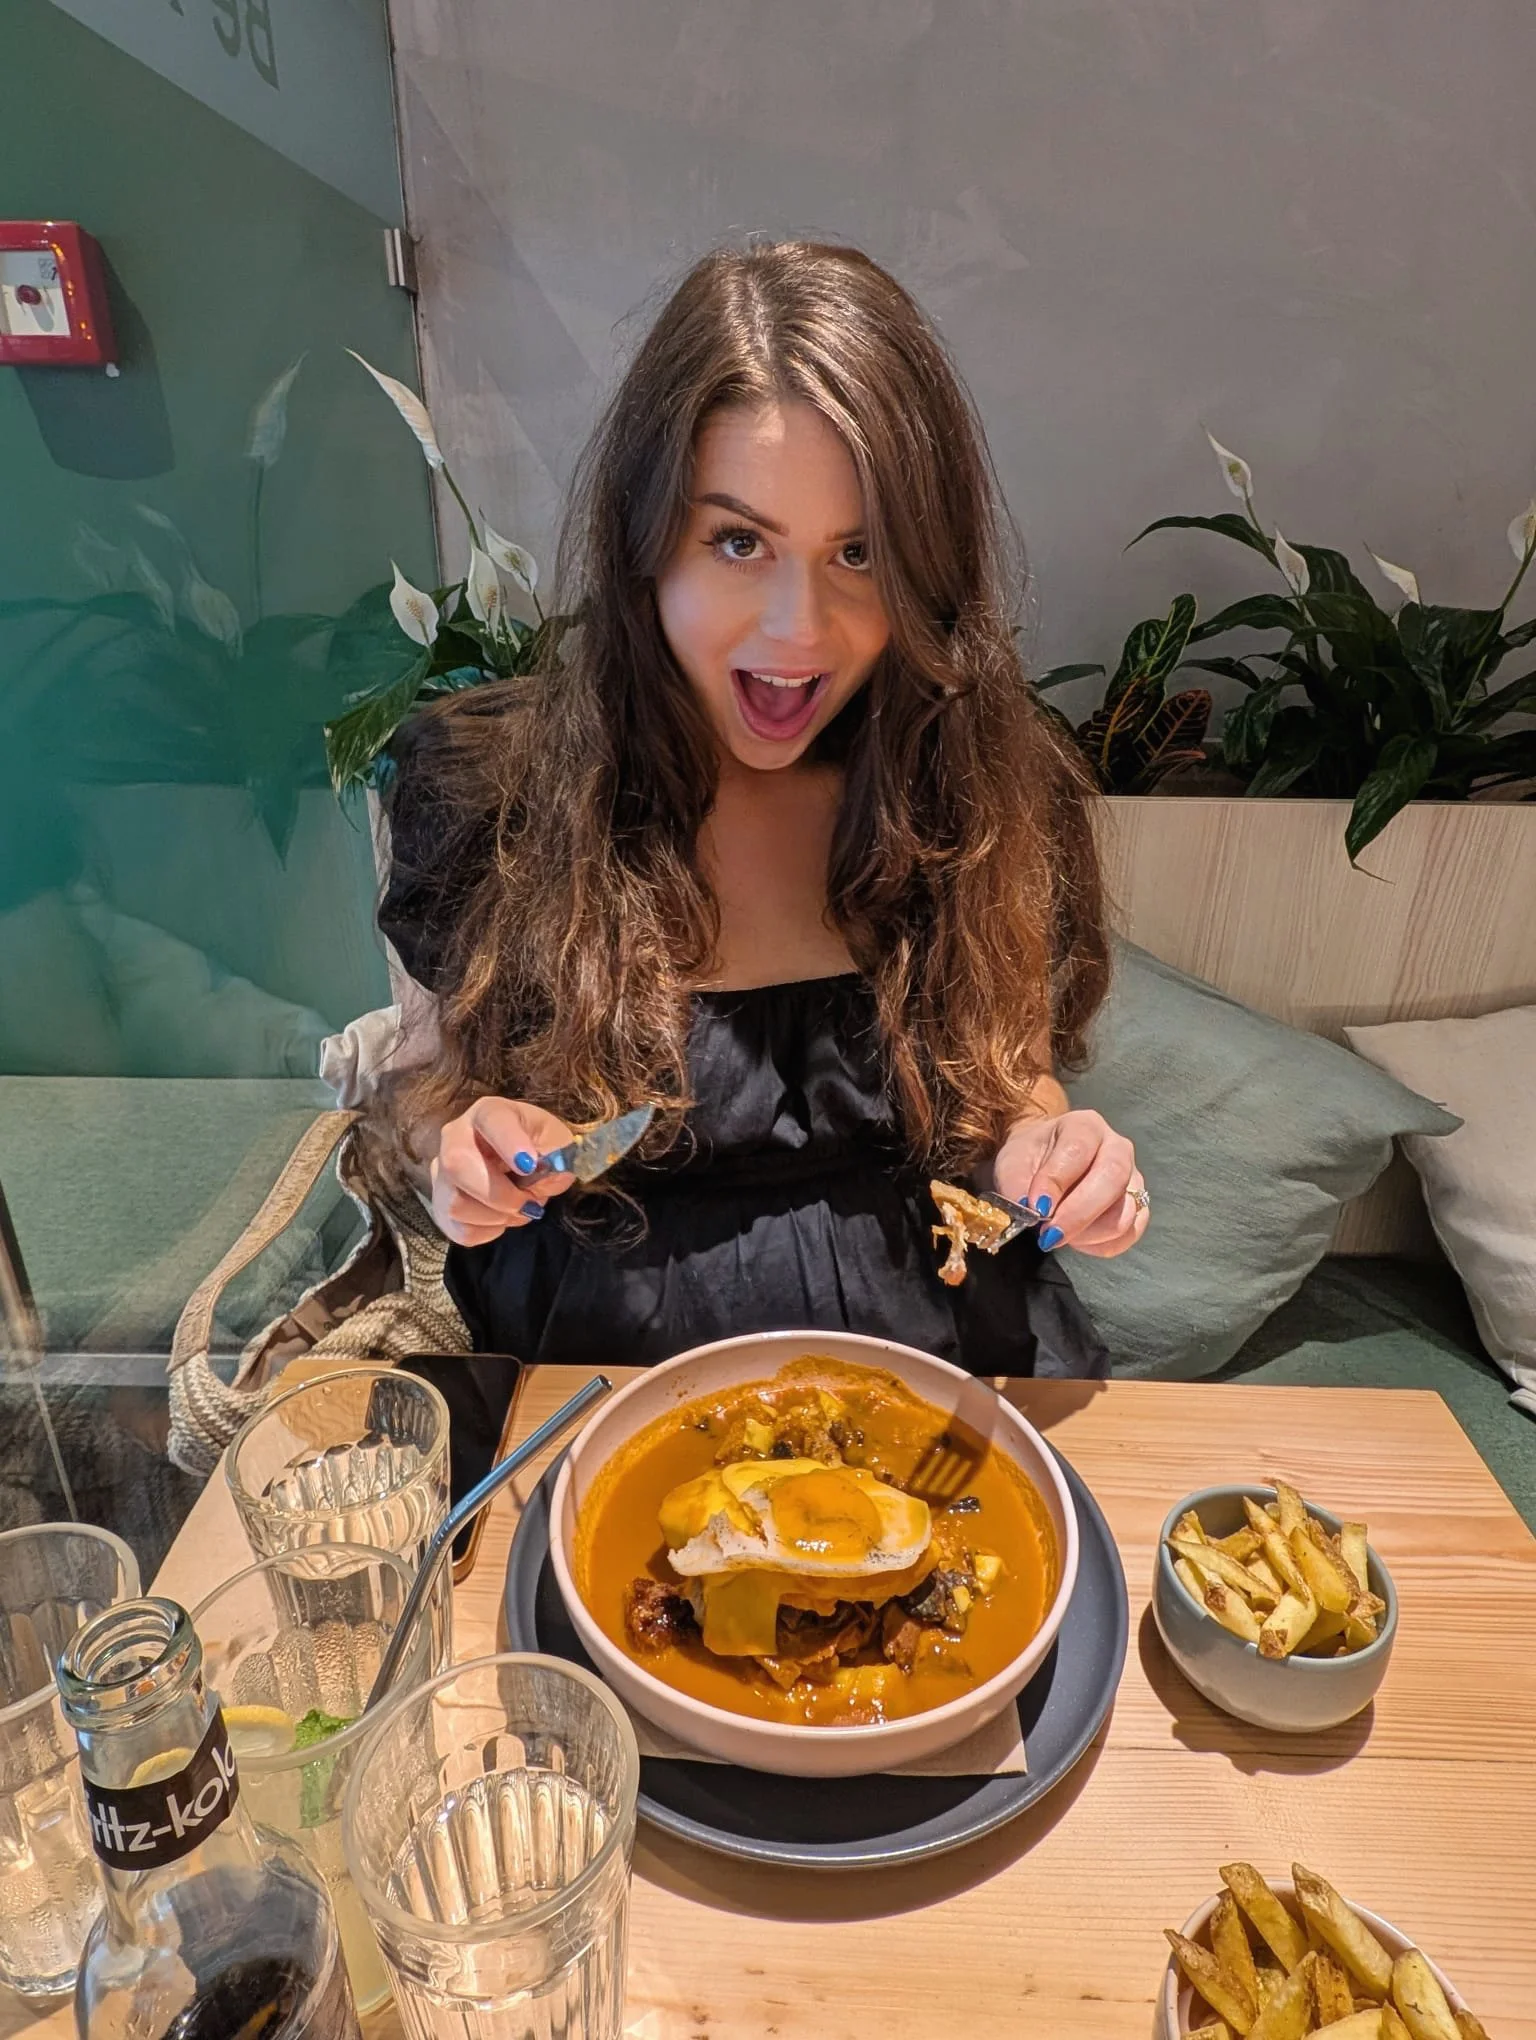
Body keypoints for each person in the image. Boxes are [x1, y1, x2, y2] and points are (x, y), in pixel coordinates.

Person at [377, 240, 1147, 1388]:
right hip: (599, 1384)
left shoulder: (980, 777)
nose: (800, 630)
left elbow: (1008, 1086)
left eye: (861, 553)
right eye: (738, 542)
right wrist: (462, 1151)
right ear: (645, 544)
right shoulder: (491, 786)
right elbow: (424, 1085)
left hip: (938, 1376)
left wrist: (1050, 1152)